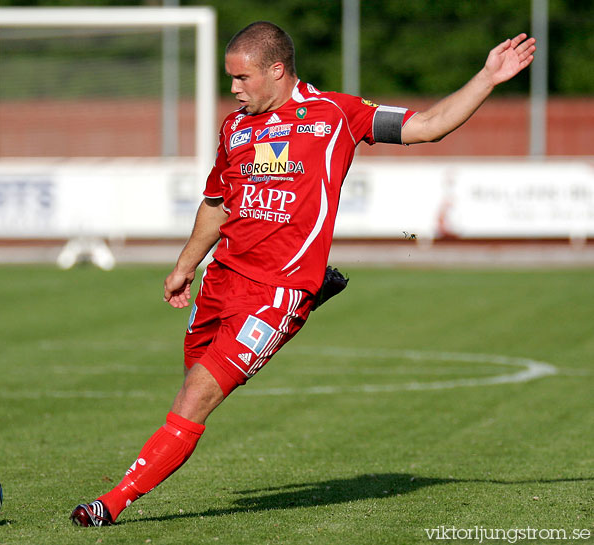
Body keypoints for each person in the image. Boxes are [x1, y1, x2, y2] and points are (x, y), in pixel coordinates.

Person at [70, 21, 535, 527]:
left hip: (276, 292)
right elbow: (216, 204)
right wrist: (185, 266)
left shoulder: (335, 114)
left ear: (277, 70)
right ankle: (310, 297)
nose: (233, 88)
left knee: (195, 398)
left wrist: (488, 77)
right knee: (190, 388)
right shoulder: (236, 128)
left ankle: (109, 504)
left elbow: (427, 124)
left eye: (242, 77)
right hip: (221, 281)